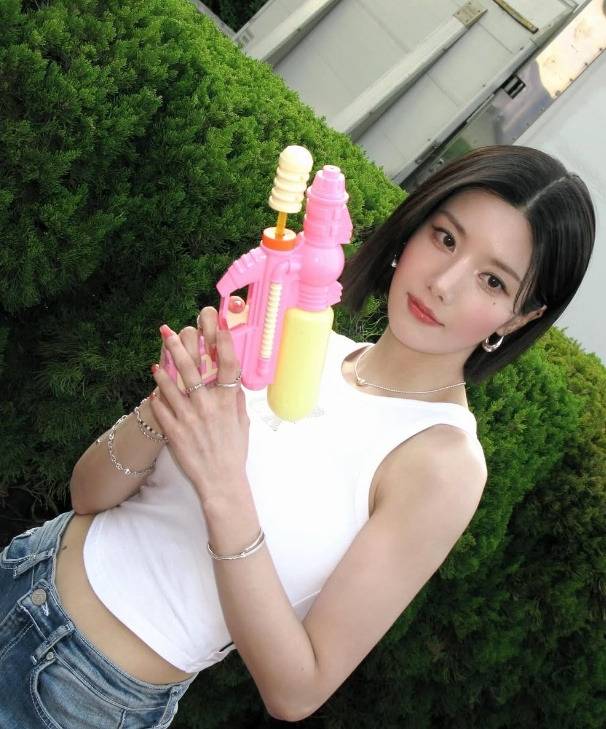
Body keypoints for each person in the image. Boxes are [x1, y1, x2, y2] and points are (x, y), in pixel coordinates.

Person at [0, 145, 595, 727]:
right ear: (414, 229)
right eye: (445, 238)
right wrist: (169, 403)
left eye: (492, 280)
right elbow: (87, 495)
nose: (444, 282)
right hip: (25, 569)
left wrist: (224, 488)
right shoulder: (291, 337)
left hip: (76, 696)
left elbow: (297, 691)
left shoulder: (442, 462)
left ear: (521, 317)